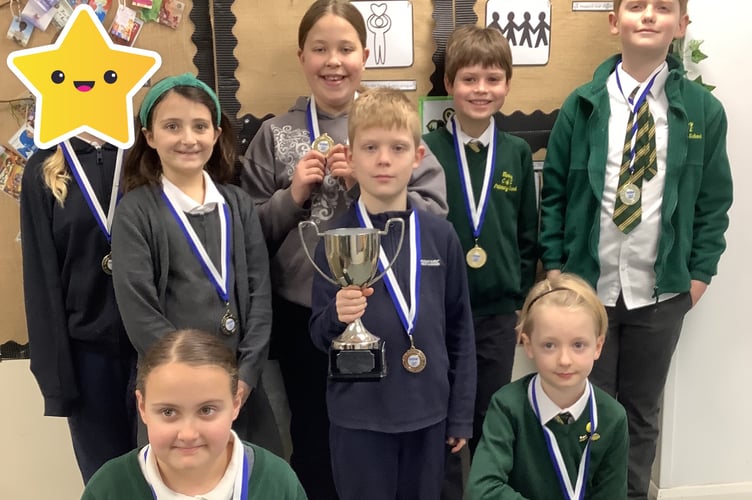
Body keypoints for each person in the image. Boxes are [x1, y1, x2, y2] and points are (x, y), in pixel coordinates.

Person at [239, 1, 448, 497]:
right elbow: (246, 235)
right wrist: (290, 197)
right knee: (313, 436)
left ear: (366, 54)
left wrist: (368, 189)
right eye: (320, 49)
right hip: (303, 314)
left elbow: (435, 213)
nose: (333, 61)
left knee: (376, 439)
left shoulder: (389, 124)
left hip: (388, 313)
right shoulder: (276, 134)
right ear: (301, 56)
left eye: (345, 49)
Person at [539, 1, 733, 498]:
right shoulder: (581, 105)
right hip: (587, 292)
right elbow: (555, 194)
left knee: (642, 413)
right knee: (587, 408)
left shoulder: (704, 113)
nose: (648, 16)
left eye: (663, 8)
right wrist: (558, 270)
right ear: (614, 22)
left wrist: (698, 276)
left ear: (681, 25)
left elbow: (712, 203)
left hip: (661, 293)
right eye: (635, 7)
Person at [308, 87, 476, 500]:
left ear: (417, 157)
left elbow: (460, 331)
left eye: (398, 148)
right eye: (370, 147)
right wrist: (337, 315)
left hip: (429, 414)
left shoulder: (440, 235)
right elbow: (316, 333)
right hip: (359, 418)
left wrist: (459, 417)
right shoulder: (333, 240)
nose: (383, 159)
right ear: (351, 155)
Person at [111, 73, 281, 455]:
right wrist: (194, 385)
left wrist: (247, 374)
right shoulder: (136, 212)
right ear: (150, 137)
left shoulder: (237, 205)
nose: (188, 138)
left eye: (200, 126)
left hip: (241, 390)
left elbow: (260, 295)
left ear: (216, 134)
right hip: (174, 394)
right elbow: (140, 311)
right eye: (172, 126)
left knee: (251, 481)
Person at [423, 20, 538, 471]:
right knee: (442, 416)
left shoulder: (517, 153)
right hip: (440, 312)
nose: (481, 89)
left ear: (507, 84)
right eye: (469, 79)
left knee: (489, 414)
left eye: (493, 79)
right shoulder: (425, 150)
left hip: (495, 314)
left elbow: (526, 235)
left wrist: (520, 299)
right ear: (450, 83)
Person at [20, 132, 137, 483]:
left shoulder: (144, 152)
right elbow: (40, 276)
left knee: (167, 479)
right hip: (88, 358)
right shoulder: (43, 167)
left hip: (153, 347)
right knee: (107, 483)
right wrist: (56, 379)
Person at [81, 329, 308, 499]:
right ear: (142, 407)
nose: (188, 434)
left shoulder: (277, 482)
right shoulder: (109, 489)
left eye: (206, 410)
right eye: (168, 412)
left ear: (235, 404)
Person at [467, 273, 629, 499]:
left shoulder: (613, 417)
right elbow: (481, 490)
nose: (564, 359)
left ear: (598, 346)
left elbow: (612, 494)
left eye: (578, 345)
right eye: (549, 345)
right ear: (528, 345)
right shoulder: (507, 406)